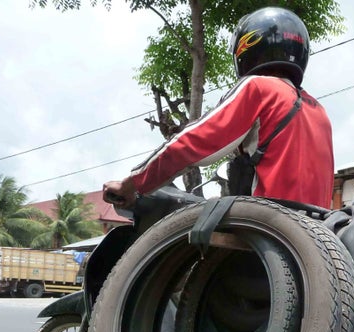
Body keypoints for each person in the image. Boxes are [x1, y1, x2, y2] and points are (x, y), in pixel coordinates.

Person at [103, 7, 335, 209]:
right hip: (319, 234)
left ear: (247, 48)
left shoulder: (258, 88)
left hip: (272, 231)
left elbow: (193, 142)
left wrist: (132, 182)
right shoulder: (319, 110)